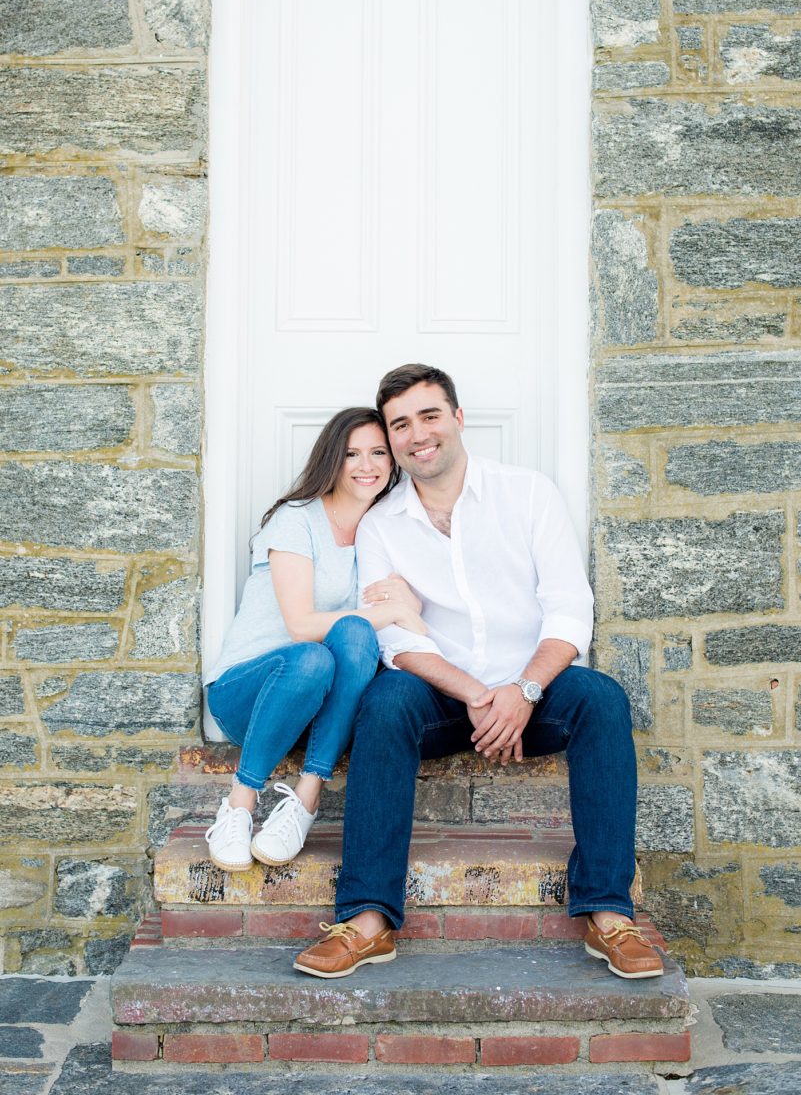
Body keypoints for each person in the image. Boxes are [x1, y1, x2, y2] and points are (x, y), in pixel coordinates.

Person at [294, 364, 664, 982]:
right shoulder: (382, 524)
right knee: (383, 704)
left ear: (458, 418)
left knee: (602, 699)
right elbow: (396, 636)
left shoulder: (528, 493)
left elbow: (570, 610)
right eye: (400, 424)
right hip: (443, 697)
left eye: (430, 415)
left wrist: (522, 691)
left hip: (534, 689)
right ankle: (366, 919)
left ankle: (608, 913)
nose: (418, 435)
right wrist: (475, 693)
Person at [203, 406, 426, 873]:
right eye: (352, 454)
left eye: (378, 452)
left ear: (393, 461)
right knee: (312, 657)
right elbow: (301, 624)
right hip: (248, 694)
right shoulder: (296, 519)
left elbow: (403, 611)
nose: (367, 465)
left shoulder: (382, 529)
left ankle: (304, 802)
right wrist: (393, 609)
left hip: (317, 714)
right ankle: (239, 805)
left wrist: (409, 605)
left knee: (353, 635)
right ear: (332, 459)